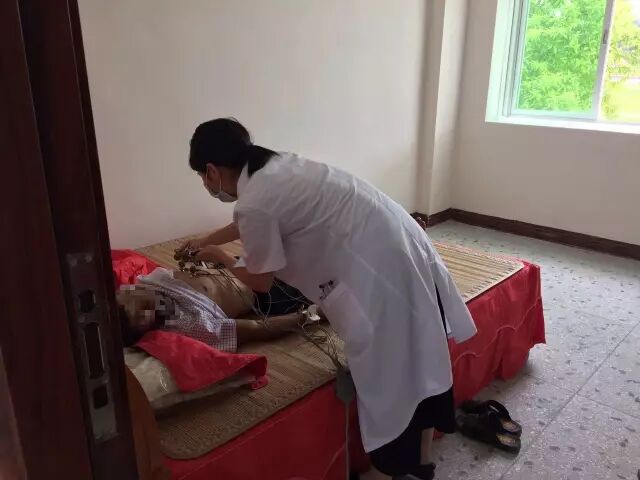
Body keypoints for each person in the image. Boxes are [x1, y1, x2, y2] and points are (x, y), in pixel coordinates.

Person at [178, 118, 477, 480]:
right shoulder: (275, 166)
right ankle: (423, 463)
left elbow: (260, 280)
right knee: (420, 353)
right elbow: (251, 220)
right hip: (400, 239)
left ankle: (397, 470)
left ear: (211, 171)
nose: (206, 185)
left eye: (203, 177)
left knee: (393, 372)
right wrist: (206, 240)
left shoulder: (255, 200)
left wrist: (219, 257)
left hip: (378, 267)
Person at [117, 265, 312, 350]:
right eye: (146, 323)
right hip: (271, 291)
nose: (152, 314)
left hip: (240, 263)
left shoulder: (150, 280)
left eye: (144, 306)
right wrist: (313, 315)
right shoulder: (191, 326)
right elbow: (257, 328)